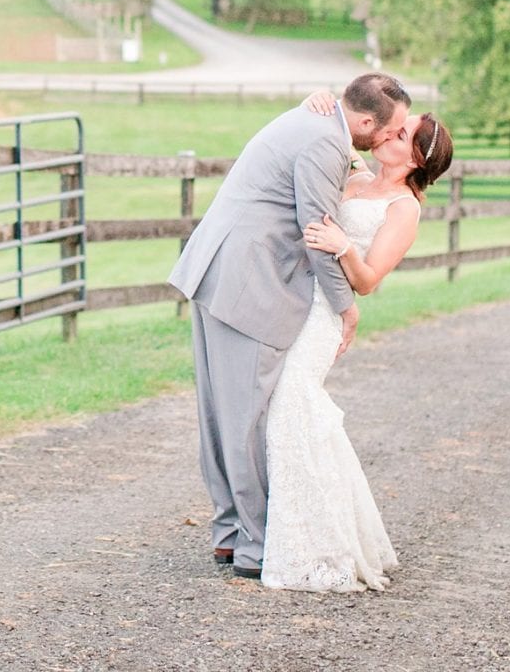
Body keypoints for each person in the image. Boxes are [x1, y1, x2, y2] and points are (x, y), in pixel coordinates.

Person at [167, 73, 411, 580]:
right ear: (366, 122)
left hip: (218, 269)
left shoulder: (316, 124)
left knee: (221, 412)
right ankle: (254, 546)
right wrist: (346, 306)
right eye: (390, 130)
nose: (390, 138)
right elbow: (317, 231)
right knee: (248, 416)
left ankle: (229, 534)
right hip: (248, 283)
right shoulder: (325, 139)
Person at [260, 95, 453, 592]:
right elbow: (340, 126)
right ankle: (297, 530)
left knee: (290, 409)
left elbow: (368, 281)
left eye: (402, 133)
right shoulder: (357, 174)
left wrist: (343, 247)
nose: (390, 132)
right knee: (292, 412)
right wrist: (319, 99)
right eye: (392, 127)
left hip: (326, 316)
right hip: (300, 301)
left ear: (415, 159)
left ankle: (315, 546)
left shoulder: (403, 208)